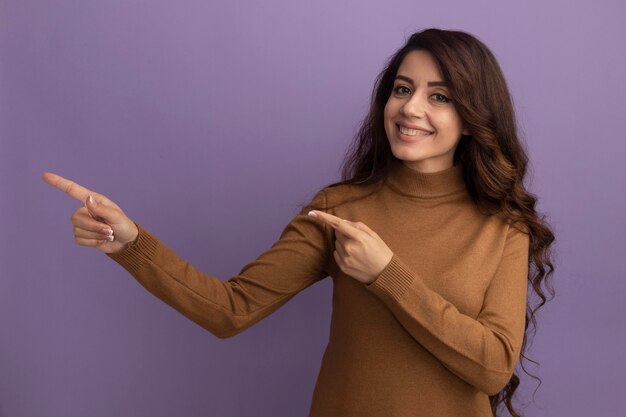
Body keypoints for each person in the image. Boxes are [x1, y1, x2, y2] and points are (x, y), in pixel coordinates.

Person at [43, 28, 555, 417]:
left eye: (438, 96)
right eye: (402, 89)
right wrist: (133, 243)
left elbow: (492, 368)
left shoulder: (503, 227)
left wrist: (388, 276)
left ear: (471, 117)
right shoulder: (340, 210)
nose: (411, 107)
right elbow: (230, 309)